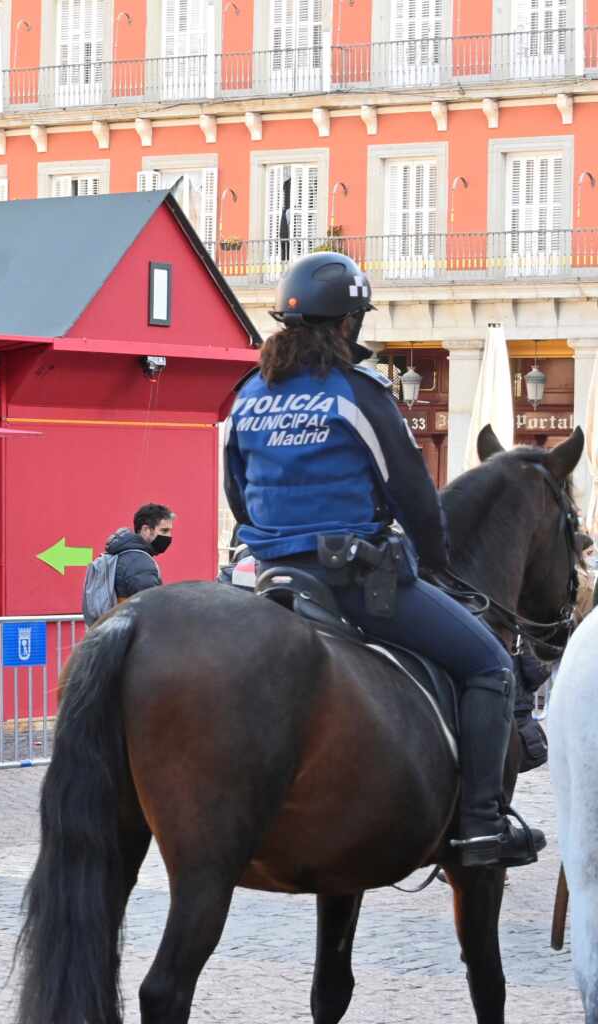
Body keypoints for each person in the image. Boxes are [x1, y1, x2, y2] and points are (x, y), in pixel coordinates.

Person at [224, 250, 543, 868]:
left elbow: (236, 493)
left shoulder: (249, 396)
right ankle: (481, 826)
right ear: (348, 325)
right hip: (352, 579)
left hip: (270, 578)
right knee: (489, 665)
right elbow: (414, 495)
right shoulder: (358, 392)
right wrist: (436, 562)